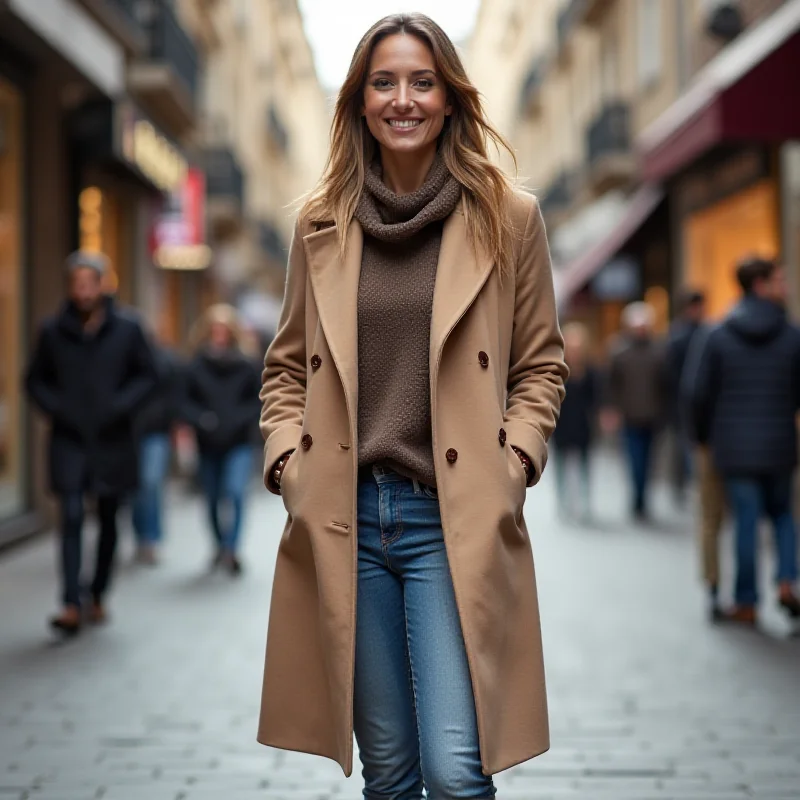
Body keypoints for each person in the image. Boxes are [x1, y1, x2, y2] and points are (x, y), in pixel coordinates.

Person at [258, 13, 567, 797]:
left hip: (451, 516)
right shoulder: (319, 223)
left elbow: (540, 364)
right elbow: (286, 367)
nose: (404, 99)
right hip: (346, 516)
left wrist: (516, 459)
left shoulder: (509, 217)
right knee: (390, 773)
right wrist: (289, 463)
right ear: (359, 102)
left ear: (450, 98)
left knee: (458, 770)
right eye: (384, 82)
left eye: (422, 82)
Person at [25, 251, 156, 635]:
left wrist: (120, 406)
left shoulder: (128, 328)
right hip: (69, 439)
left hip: (112, 439)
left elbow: (148, 376)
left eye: (89, 283)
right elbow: (34, 380)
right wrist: (56, 408)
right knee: (70, 514)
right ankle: (69, 601)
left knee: (110, 517)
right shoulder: (52, 330)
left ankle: (97, 592)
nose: (82, 291)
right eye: (76, 284)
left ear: (102, 285)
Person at [684, 257, 800, 625]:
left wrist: (705, 437)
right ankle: (786, 582)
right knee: (783, 515)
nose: (787, 287)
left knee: (746, 522)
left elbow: (697, 393)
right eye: (780, 280)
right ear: (761, 285)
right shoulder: (792, 334)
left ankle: (747, 602)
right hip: (780, 441)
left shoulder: (718, 333)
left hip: (733, 446)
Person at [183, 304, 261, 576]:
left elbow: (258, 401)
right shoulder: (195, 365)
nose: (218, 335)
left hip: (238, 441)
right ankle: (219, 545)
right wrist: (202, 420)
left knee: (236, 492)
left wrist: (237, 421)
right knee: (213, 498)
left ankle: (231, 549)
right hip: (207, 443)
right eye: (214, 330)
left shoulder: (247, 365)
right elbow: (183, 402)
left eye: (223, 330)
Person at [667, 289, 726, 621]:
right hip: (721, 435)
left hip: (704, 432)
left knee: (710, 515)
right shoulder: (710, 335)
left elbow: (690, 389)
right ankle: (753, 593)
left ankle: (714, 586)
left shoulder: (710, 336)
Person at [607, 301, 667, 521]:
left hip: (653, 416)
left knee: (649, 461)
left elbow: (666, 384)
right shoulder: (619, 351)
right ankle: (637, 498)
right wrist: (612, 410)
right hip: (630, 416)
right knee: (635, 460)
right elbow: (612, 384)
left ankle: (642, 498)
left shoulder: (659, 351)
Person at [131, 342, 185, 565]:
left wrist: (174, 423)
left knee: (150, 483)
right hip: (128, 434)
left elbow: (175, 395)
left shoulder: (166, 360)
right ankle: (141, 536)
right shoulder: (127, 362)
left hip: (156, 432)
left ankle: (150, 539)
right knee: (135, 487)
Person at [551, 322, 597, 521]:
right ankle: (563, 501)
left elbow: (597, 396)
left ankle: (585, 502)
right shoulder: (557, 370)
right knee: (560, 464)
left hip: (582, 424)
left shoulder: (591, 370)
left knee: (584, 463)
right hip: (561, 424)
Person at [666, 289, 706, 502]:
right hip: (682, 403)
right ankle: (686, 483)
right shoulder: (681, 336)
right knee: (685, 448)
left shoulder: (703, 333)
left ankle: (688, 484)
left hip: (690, 403)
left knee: (689, 448)